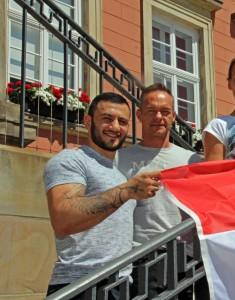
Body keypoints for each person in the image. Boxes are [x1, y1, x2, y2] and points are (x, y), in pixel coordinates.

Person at [44, 92, 161, 298]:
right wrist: (126, 192)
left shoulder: (117, 173)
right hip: (81, 283)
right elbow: (63, 219)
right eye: (107, 119)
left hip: (119, 285)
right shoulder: (71, 160)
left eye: (122, 122)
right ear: (88, 122)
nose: (115, 127)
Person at [115, 83, 207, 299]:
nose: (159, 117)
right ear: (139, 115)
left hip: (183, 260)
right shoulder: (120, 159)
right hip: (141, 258)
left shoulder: (192, 160)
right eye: (151, 111)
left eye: (165, 111)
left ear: (173, 116)